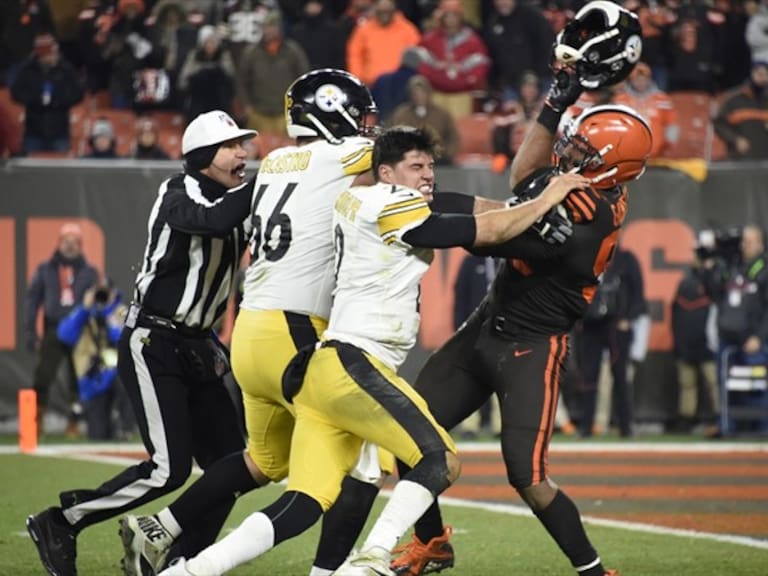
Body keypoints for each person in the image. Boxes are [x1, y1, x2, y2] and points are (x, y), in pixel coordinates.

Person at [156, 127, 587, 576]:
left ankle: (187, 573)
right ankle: (372, 559)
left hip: (325, 369)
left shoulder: (353, 199)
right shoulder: (392, 204)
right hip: (356, 365)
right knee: (439, 459)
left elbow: (451, 208)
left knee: (304, 502)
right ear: (385, 173)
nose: (427, 175)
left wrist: (514, 208)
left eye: (430, 166)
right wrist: (546, 199)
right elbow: (484, 229)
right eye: (416, 167)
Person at [390, 4, 650, 575]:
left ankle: (593, 570)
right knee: (407, 435)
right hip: (488, 324)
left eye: (582, 152)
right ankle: (432, 544)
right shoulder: (582, 186)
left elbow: (487, 231)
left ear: (608, 167)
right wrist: (556, 102)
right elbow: (520, 183)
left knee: (527, 477)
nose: (568, 152)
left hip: (531, 347)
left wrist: (415, 207)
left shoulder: (584, 221)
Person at [118, 68, 387, 576]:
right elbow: (396, 154)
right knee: (360, 447)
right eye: (360, 117)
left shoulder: (279, 162)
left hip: (250, 333)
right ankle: (347, 564)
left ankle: (161, 528)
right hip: (294, 330)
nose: (367, 127)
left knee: (263, 461)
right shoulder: (334, 157)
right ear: (332, 113)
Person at [26, 110, 258, 576]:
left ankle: (179, 557)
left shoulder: (239, 201)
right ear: (202, 156)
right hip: (155, 340)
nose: (243, 154)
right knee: (168, 469)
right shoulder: (178, 192)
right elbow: (211, 221)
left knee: (230, 466)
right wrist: (270, 182)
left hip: (200, 344)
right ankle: (62, 521)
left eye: (243, 145)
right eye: (231, 146)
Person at [25, 222, 99, 437]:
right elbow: (32, 301)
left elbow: (96, 304)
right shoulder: (46, 269)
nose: (70, 245)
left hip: (79, 330)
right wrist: (30, 330)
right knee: (43, 375)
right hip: (54, 328)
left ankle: (74, 422)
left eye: (74, 242)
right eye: (66, 241)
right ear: (59, 243)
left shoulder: (89, 272)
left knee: (77, 379)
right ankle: (35, 420)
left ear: (80, 245)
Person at [702, 224, 768, 434]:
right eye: (743, 241)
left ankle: (761, 427)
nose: (744, 246)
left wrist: (759, 337)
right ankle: (727, 425)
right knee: (725, 386)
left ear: (760, 244)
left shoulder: (764, 269)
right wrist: (711, 268)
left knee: (756, 385)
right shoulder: (732, 266)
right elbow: (714, 294)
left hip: (754, 339)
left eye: (749, 242)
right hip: (728, 337)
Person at [578, 244, 646, 438]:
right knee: (589, 377)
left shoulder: (626, 259)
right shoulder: (587, 256)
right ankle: (586, 426)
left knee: (620, 376)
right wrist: (579, 317)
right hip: (592, 326)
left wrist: (629, 318)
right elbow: (576, 288)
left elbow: (638, 292)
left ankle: (626, 426)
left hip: (616, 325)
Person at [56, 279, 134, 440]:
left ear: (113, 293)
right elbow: (64, 335)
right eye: (98, 292)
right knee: (98, 434)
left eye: (105, 292)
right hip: (93, 378)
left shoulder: (120, 312)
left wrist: (109, 315)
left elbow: (125, 339)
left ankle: (126, 427)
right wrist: (85, 309)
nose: (101, 296)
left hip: (116, 373)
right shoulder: (82, 313)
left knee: (126, 381)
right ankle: (109, 425)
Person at [10, 33, 84, 155]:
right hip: (33, 130)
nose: (51, 55)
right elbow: (16, 93)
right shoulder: (27, 70)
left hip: (59, 130)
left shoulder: (66, 70)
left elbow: (78, 94)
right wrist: (35, 100)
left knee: (60, 165)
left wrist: (58, 100)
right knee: (31, 166)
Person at [670, 251, 719, 435]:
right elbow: (676, 315)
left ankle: (720, 417)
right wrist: (678, 342)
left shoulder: (715, 282)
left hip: (707, 343)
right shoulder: (685, 283)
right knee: (687, 383)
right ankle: (686, 419)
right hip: (687, 342)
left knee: (714, 383)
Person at [389, 75, 460, 165]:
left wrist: (447, 153)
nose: (419, 97)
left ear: (429, 94)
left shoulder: (442, 114)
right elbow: (392, 137)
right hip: (409, 159)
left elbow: (453, 138)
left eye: (423, 93)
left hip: (438, 159)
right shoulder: (401, 114)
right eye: (415, 94)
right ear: (410, 95)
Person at [713, 60, 768, 160]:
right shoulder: (734, 100)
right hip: (740, 158)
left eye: (766, 75)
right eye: (759, 74)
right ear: (751, 75)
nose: (763, 78)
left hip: (765, 158)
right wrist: (735, 139)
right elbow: (720, 124)